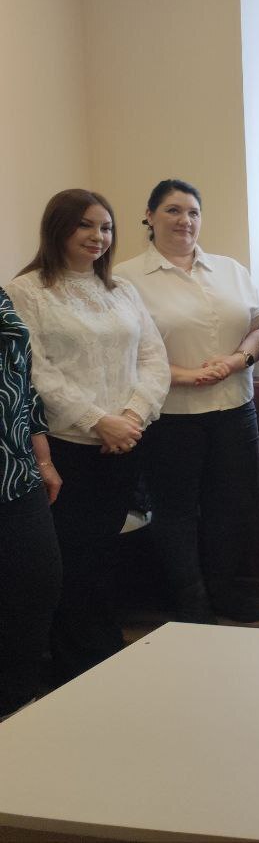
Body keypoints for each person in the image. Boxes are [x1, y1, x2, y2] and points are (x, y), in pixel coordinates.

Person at [8, 189, 170, 684]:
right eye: (86, 225)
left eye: (106, 227)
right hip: (67, 449)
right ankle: (77, 666)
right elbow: (35, 372)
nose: (98, 236)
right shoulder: (27, 291)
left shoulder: (121, 290)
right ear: (58, 227)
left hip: (125, 442)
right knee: (72, 563)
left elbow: (153, 358)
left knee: (104, 555)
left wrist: (132, 416)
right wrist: (98, 420)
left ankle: (104, 655)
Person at [116, 179, 259, 624]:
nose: (185, 220)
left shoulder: (230, 269)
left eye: (193, 212)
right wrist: (185, 375)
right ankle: (191, 600)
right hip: (171, 415)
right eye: (173, 210)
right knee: (176, 511)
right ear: (149, 216)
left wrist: (238, 360)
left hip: (236, 408)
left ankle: (223, 590)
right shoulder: (124, 278)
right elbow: (124, 351)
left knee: (231, 507)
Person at [0, 288, 63, 717]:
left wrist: (43, 459)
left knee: (38, 581)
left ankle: (17, 703)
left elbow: (22, 380)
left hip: (15, 467)